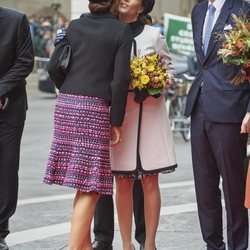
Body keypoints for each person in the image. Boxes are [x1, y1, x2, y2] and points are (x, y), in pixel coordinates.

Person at [43, 0, 132, 249]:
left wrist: (70, 89)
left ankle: (81, 246)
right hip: (94, 109)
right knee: (92, 186)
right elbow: (120, 79)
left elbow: (53, 66)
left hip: (66, 104)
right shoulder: (120, 30)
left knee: (84, 184)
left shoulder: (74, 25)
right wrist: (116, 120)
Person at [111, 1, 177, 250]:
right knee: (123, 182)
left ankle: (149, 244)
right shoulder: (109, 31)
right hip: (121, 116)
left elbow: (169, 70)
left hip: (150, 114)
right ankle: (126, 244)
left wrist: (156, 82)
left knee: (151, 180)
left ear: (142, 8)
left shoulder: (154, 35)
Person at [184, 0, 250, 249]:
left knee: (233, 186)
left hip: (231, 108)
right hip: (199, 106)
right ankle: (213, 245)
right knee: (204, 184)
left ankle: (238, 246)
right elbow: (205, 61)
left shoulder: (244, 9)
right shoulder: (198, 10)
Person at [0, 7, 34, 250]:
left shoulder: (16, 19)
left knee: (6, 169)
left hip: (10, 107)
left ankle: (0, 230)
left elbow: (25, 62)